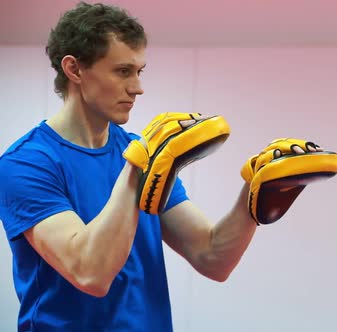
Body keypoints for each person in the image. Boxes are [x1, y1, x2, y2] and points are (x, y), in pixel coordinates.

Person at [0, 3, 257, 331]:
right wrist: (138, 166)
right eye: (123, 71)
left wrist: (257, 195)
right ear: (75, 70)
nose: (137, 87)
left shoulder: (145, 154)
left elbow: (212, 257)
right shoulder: (25, 164)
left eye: (139, 71)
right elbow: (90, 273)